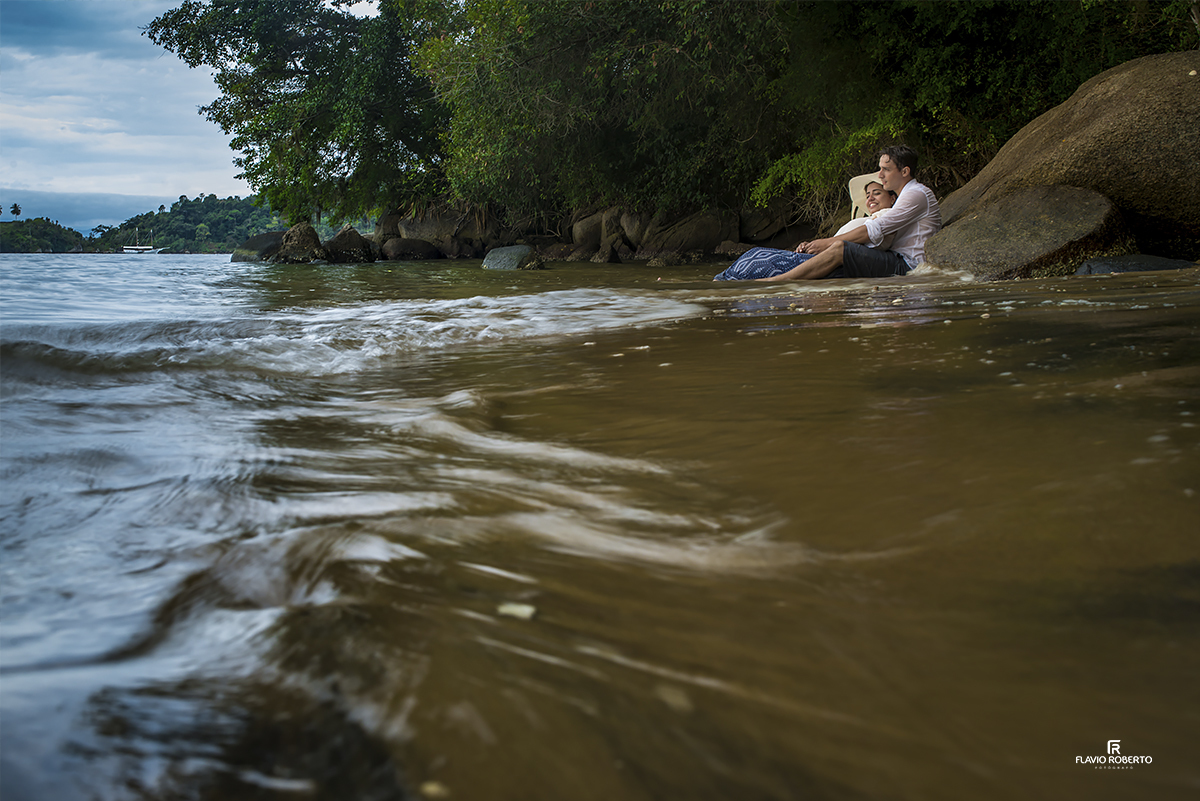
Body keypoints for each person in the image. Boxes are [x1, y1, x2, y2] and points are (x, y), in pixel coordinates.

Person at [756, 145, 941, 281]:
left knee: (841, 248)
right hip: (895, 258)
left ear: (905, 171)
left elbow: (875, 229)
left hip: (908, 266)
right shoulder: (905, 196)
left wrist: (827, 243)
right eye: (880, 169)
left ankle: (777, 282)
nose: (880, 175)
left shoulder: (916, 194)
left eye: (886, 169)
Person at [714, 182, 896, 281]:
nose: (870, 198)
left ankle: (725, 280)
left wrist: (823, 245)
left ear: (892, 198)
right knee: (756, 255)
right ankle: (724, 279)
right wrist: (811, 246)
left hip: (834, 262)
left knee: (759, 258)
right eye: (867, 195)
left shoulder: (886, 217)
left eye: (877, 193)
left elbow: (872, 240)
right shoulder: (866, 220)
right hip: (824, 257)